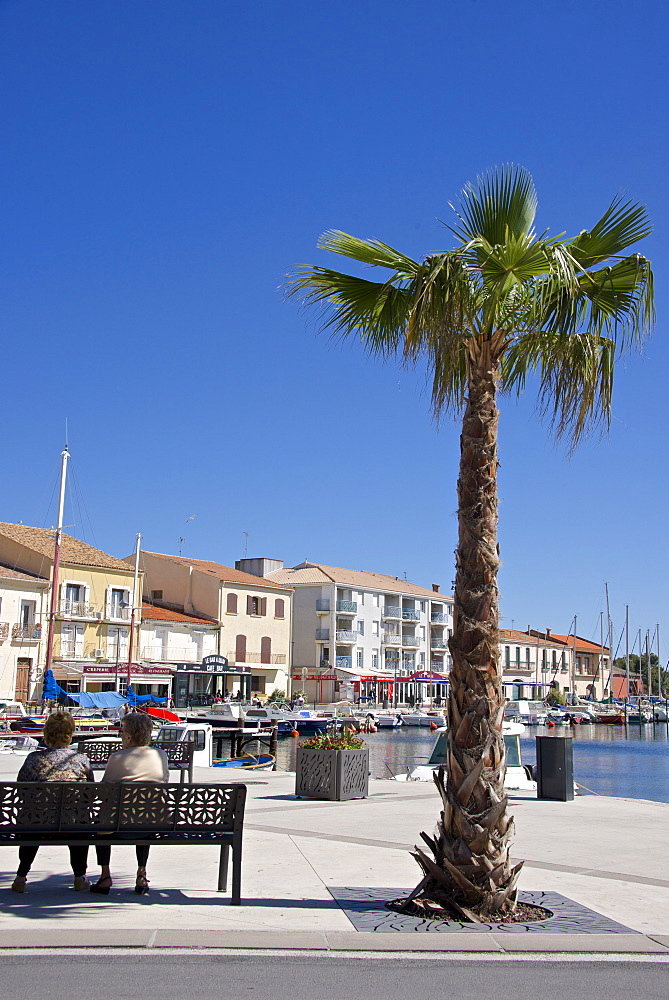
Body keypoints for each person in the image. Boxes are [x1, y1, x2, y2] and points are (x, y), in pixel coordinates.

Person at [12, 712, 93, 893]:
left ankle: (20, 877)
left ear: (46, 732)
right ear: (70, 733)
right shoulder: (80, 759)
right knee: (79, 818)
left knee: (33, 818)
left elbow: (21, 788)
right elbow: (90, 792)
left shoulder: (33, 759)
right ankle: (79, 877)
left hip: (38, 823)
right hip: (71, 824)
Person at [90, 712, 168, 896]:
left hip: (118, 825)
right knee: (144, 811)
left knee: (103, 822)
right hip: (152, 824)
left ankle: (105, 875)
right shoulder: (161, 755)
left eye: (122, 732)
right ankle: (141, 873)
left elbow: (104, 790)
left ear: (129, 736)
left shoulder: (117, 757)